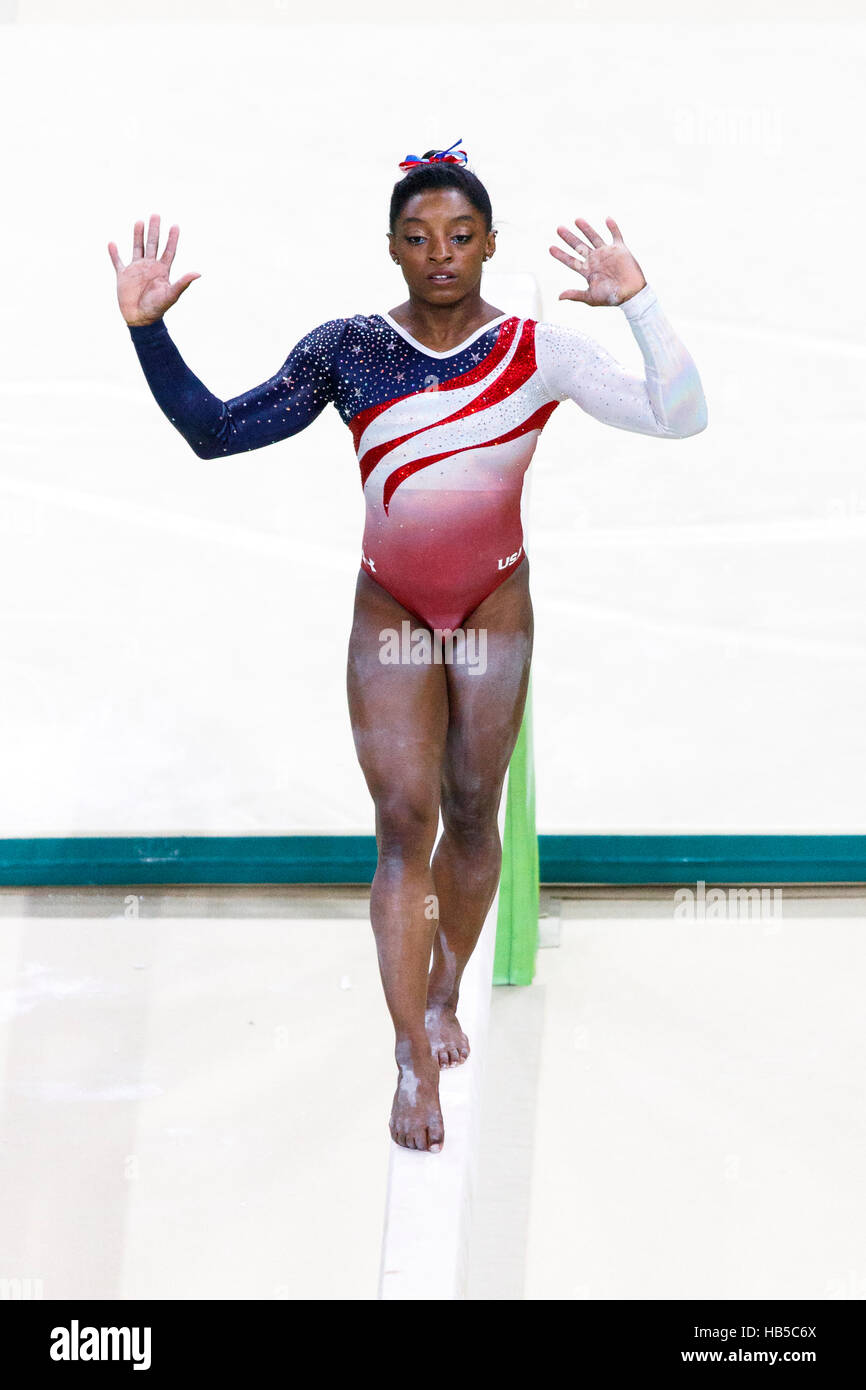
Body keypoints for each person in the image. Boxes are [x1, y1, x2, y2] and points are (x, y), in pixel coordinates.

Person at [108, 140, 708, 1155]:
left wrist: (640, 304)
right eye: (419, 236)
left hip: (491, 608)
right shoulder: (346, 349)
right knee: (402, 821)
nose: (440, 253)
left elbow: (678, 416)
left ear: (487, 244)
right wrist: (148, 332)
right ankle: (407, 1049)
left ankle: (443, 988)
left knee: (472, 810)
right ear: (390, 247)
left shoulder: (537, 353)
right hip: (390, 608)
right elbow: (215, 430)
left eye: (461, 235)